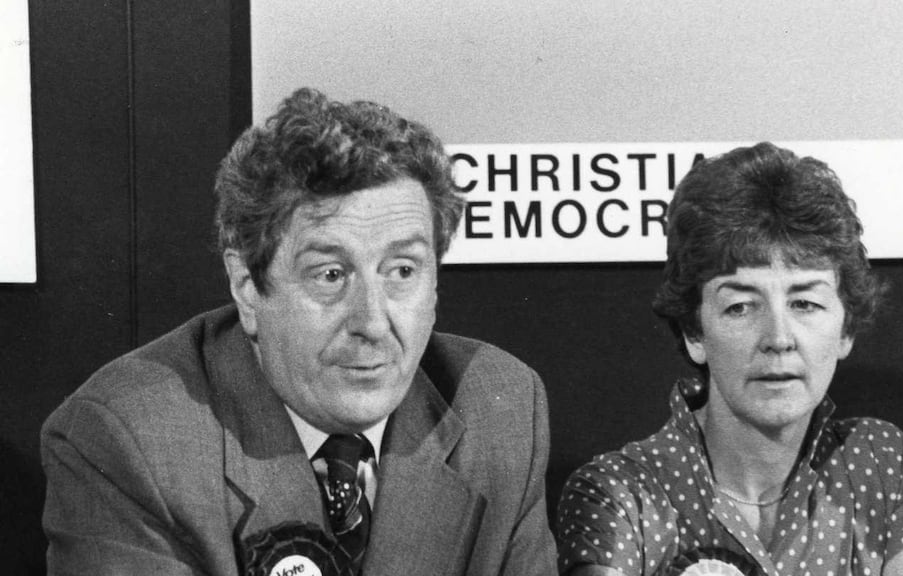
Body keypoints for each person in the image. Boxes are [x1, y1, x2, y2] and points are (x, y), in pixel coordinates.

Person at [41, 87, 557, 575]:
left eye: (402, 271)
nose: (373, 323)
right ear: (247, 286)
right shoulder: (131, 440)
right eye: (331, 275)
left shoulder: (500, 411)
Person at [556, 143, 903, 576]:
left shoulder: (877, 462)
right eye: (741, 307)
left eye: (804, 303)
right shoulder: (620, 492)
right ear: (695, 332)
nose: (779, 339)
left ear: (845, 330)